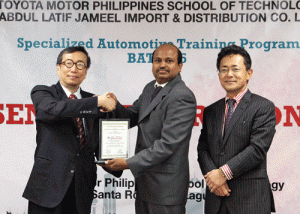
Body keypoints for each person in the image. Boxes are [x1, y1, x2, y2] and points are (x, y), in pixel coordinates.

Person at [22, 46, 121, 214]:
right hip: (47, 188)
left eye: (80, 64)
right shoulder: (44, 93)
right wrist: (96, 103)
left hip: (82, 188)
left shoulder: (94, 101)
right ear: (58, 67)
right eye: (68, 63)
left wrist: (115, 162)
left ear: (86, 71)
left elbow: (97, 143)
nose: (74, 68)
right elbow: (53, 109)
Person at [104, 43, 197, 213]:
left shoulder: (182, 96)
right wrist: (112, 105)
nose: (162, 65)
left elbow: (168, 144)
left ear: (180, 65)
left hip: (166, 190)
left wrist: (127, 163)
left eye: (169, 60)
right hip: (145, 184)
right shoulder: (150, 88)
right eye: (157, 60)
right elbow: (132, 116)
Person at [197, 44, 276, 214]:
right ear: (218, 75)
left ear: (249, 73)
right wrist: (214, 179)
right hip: (216, 200)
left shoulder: (263, 106)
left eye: (235, 69)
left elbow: (257, 150)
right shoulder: (210, 111)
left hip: (250, 201)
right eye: (224, 69)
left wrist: (223, 174)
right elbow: (203, 149)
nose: (229, 74)